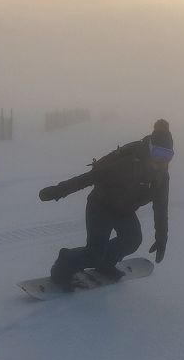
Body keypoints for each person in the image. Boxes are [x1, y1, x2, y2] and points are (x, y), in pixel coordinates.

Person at [38, 119, 173, 291]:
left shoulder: (161, 177)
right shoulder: (127, 163)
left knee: (132, 240)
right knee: (94, 253)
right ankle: (64, 265)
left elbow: (161, 207)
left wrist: (162, 238)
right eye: (159, 153)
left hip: (124, 210)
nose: (162, 161)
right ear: (150, 149)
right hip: (101, 206)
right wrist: (60, 190)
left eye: (167, 156)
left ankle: (106, 264)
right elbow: (91, 177)